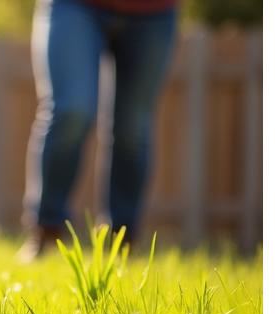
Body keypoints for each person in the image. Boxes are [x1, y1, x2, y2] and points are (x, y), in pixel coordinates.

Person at [18, 0, 178, 261]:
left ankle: (122, 241)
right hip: (75, 6)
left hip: (153, 13)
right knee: (72, 110)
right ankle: (46, 230)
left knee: (133, 128)